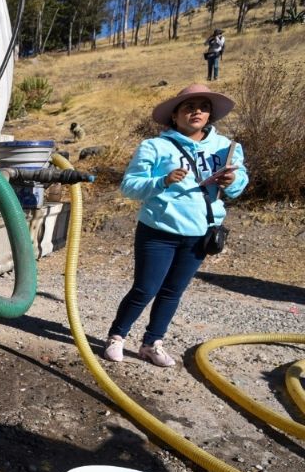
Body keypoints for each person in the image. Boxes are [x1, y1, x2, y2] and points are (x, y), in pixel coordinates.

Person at [102, 84, 248, 367]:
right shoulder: (155, 146)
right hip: (158, 231)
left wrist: (233, 182)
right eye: (189, 107)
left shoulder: (227, 148)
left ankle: (152, 343)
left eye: (203, 107)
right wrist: (162, 181)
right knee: (146, 288)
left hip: (200, 233)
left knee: (173, 291)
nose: (197, 112)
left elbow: (240, 185)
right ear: (175, 115)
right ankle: (117, 337)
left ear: (210, 115)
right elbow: (129, 186)